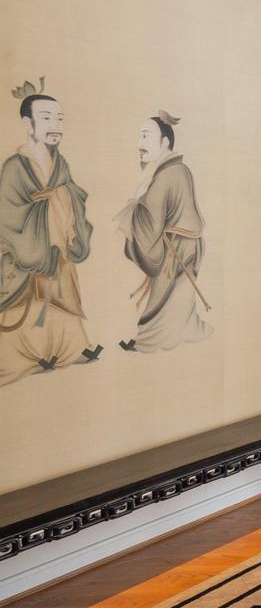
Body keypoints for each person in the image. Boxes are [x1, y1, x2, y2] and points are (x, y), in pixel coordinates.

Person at [0, 81, 101, 383]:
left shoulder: (61, 163)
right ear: (27, 123)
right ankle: (22, 356)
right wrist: (47, 214)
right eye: (46, 118)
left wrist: (64, 199)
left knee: (62, 297)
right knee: (23, 305)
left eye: (59, 119)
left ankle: (69, 348)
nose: (55, 125)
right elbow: (7, 215)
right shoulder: (15, 166)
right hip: (25, 250)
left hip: (58, 249)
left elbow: (73, 195)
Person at [120, 111, 210, 352]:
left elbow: (150, 225)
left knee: (168, 299)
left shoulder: (168, 175)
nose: (139, 144)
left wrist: (138, 204)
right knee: (180, 297)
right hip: (186, 244)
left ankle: (151, 341)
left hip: (175, 248)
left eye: (146, 136)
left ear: (165, 141)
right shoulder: (180, 170)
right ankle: (168, 336)